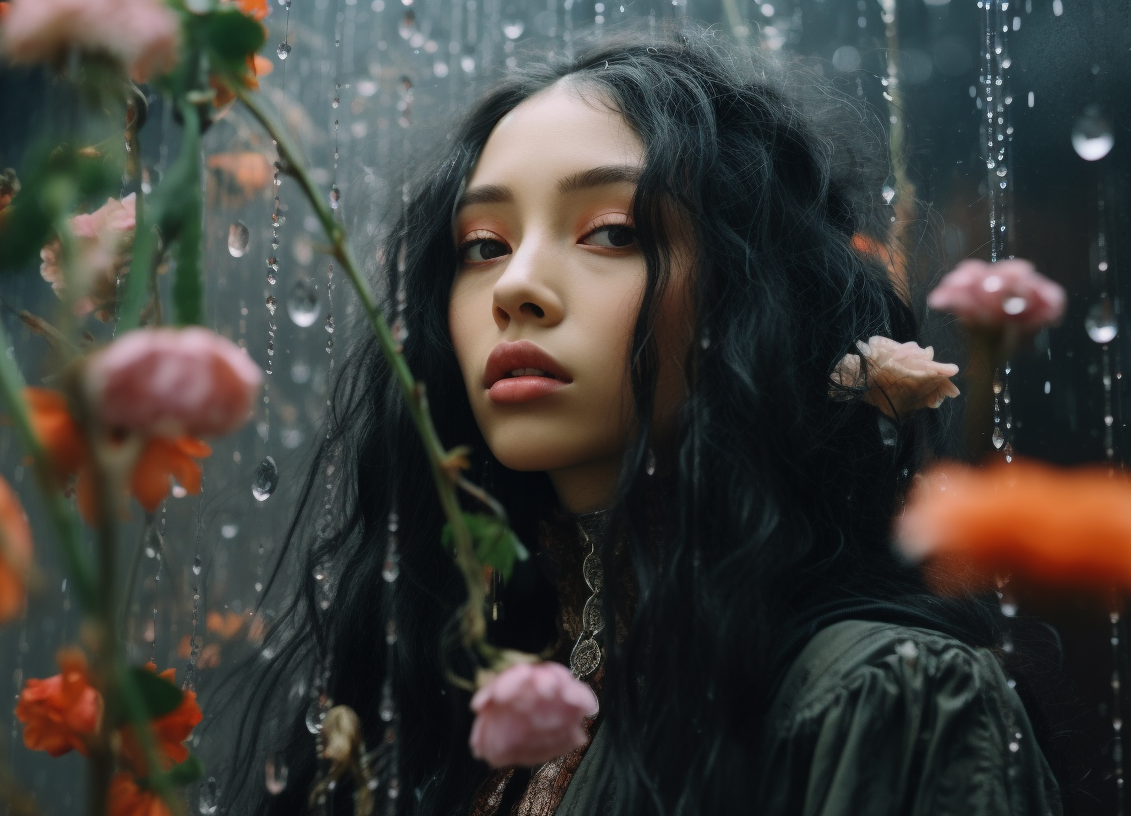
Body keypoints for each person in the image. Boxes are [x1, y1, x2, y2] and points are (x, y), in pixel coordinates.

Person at [223, 30, 1065, 816]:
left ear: (752, 298)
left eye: (613, 232)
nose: (517, 286)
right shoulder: (436, 707)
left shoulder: (886, 702)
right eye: (483, 244)